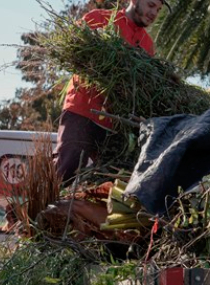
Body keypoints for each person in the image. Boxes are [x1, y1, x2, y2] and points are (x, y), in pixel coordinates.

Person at [54, 0, 167, 183]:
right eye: (151, 5)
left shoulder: (147, 46)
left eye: (158, 10)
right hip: (83, 110)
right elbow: (74, 47)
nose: (154, 13)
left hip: (115, 124)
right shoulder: (99, 19)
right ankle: (46, 209)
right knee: (66, 168)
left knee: (109, 179)